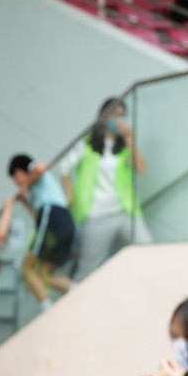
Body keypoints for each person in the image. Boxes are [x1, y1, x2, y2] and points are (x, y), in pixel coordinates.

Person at [59, 97, 152, 281]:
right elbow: (64, 169)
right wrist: (70, 198)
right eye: (114, 114)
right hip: (97, 214)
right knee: (88, 269)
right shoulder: (87, 144)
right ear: (104, 116)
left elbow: (140, 168)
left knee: (148, 249)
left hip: (124, 211)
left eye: (122, 115)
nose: (119, 119)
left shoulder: (125, 147)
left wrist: (129, 139)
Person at [4, 153, 76, 311]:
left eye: (15, 179)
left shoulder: (32, 169)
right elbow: (37, 217)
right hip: (63, 224)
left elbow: (40, 168)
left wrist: (24, 187)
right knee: (43, 275)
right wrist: (25, 202)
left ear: (19, 172)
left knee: (28, 267)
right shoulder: (38, 188)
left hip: (54, 220)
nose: (16, 183)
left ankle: (48, 310)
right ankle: (75, 288)